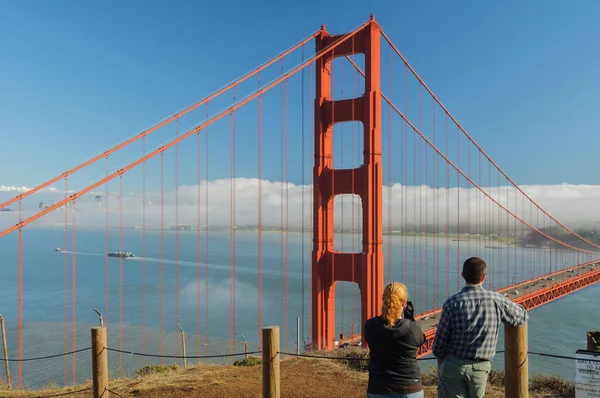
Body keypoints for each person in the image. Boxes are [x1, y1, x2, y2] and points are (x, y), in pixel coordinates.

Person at [432, 257, 529, 398]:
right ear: (484, 277)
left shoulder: (451, 303)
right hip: (480, 368)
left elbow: (439, 344)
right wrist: (510, 304)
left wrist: (442, 364)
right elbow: (521, 316)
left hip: (452, 366)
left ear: (463, 275)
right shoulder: (497, 300)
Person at [364, 282, 426, 398]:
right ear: (404, 303)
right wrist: (410, 319)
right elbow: (421, 339)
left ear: (383, 300)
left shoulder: (370, 326)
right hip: (409, 389)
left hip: (378, 388)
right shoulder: (412, 329)